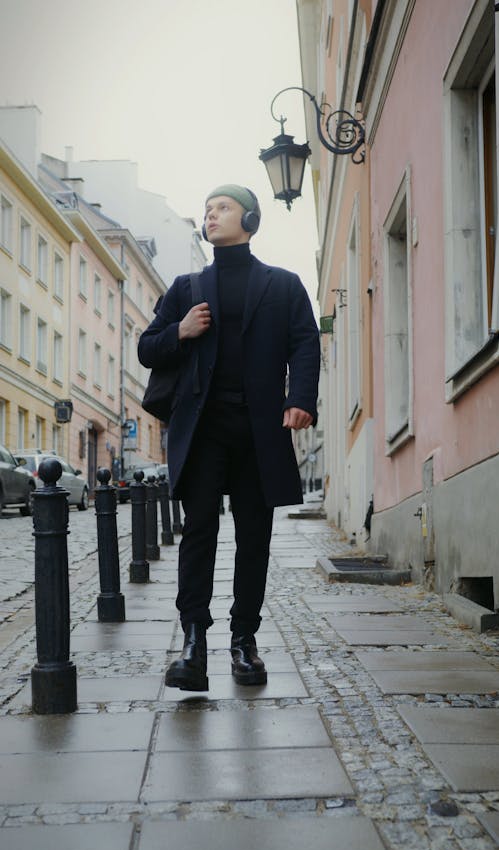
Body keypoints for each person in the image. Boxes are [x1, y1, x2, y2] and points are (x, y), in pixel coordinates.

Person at [138, 185, 320, 692]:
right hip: (203, 430)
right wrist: (180, 332)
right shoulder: (186, 287)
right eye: (207, 209)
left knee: (254, 536)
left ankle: (245, 642)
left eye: (221, 208)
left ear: (250, 217)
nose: (211, 215)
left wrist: (300, 397)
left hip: (260, 430)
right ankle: (193, 643)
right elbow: (147, 348)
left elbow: (305, 341)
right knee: (199, 532)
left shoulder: (283, 285)